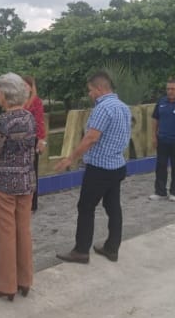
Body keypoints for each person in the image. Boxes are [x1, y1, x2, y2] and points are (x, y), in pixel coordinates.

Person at [53, 71, 132, 263]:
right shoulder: (123, 107)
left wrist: (71, 158)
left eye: (90, 90)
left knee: (86, 207)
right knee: (113, 206)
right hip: (117, 165)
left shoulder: (103, 108)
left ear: (100, 88)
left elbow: (91, 138)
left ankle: (81, 250)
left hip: (100, 168)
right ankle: (112, 248)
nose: (89, 94)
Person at [0, 73, 37, 301]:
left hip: (3, 185)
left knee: (6, 234)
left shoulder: (3, 122)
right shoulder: (29, 118)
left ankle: (6, 286)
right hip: (26, 182)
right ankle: (25, 281)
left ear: (5, 95)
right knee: (23, 231)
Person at [22, 74, 47, 212]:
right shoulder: (18, 101)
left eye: (26, 85)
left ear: (31, 87)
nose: (23, 88)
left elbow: (39, 121)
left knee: (32, 171)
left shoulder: (36, 102)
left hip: (33, 140)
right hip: (20, 141)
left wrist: (41, 139)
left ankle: (32, 204)